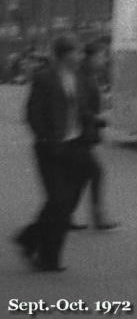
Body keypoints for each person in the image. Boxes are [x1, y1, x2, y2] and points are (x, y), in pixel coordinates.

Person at [12, 34, 90, 272]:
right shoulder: (44, 78)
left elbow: (82, 108)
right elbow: (33, 114)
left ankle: (30, 238)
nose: (80, 56)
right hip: (50, 149)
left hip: (75, 145)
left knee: (63, 203)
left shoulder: (79, 78)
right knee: (58, 200)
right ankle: (47, 257)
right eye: (76, 52)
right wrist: (47, 140)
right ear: (64, 55)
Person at [69, 40, 118, 230]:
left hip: (83, 134)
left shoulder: (88, 75)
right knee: (95, 173)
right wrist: (99, 120)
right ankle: (98, 218)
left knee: (80, 177)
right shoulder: (82, 77)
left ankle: (66, 215)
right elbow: (80, 108)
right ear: (91, 57)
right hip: (80, 135)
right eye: (101, 56)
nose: (104, 60)